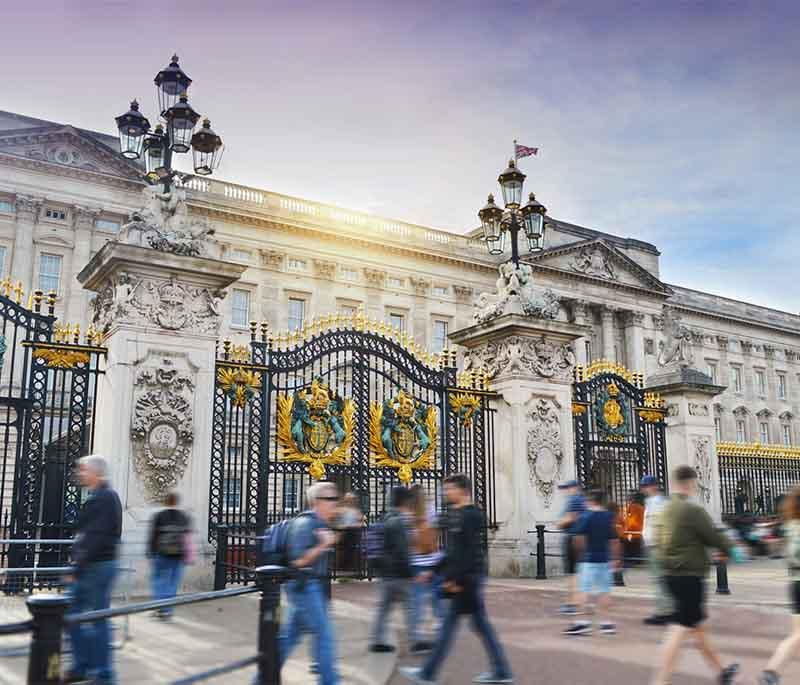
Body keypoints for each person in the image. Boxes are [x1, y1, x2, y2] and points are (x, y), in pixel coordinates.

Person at [400, 474, 513, 685]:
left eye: (450, 489)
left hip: (467, 580)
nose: (446, 493)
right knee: (477, 626)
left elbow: (469, 554)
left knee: (451, 628)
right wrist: (432, 571)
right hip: (467, 578)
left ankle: (428, 674)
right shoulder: (457, 514)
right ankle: (501, 670)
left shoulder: (471, 516)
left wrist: (456, 581)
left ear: (462, 490)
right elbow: (452, 552)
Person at [651, 466, 738, 685]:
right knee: (680, 627)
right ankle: (660, 680)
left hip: (670, 573)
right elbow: (714, 536)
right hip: (689, 575)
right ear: (690, 483)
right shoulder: (692, 510)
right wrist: (731, 550)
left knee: (697, 626)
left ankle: (722, 671)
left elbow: (657, 539)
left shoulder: (666, 509)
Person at [64, 455, 122, 685]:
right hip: (96, 564)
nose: (80, 474)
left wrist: (76, 568)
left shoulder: (104, 498)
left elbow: (94, 537)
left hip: (96, 566)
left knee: (90, 618)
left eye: (84, 470)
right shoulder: (102, 496)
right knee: (84, 616)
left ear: (97, 473)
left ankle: (100, 672)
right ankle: (87, 666)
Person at [279, 481, 341, 685]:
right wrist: (323, 545)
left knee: (289, 638)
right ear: (316, 501)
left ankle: (262, 676)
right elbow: (297, 560)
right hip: (304, 587)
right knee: (324, 635)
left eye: (336, 499)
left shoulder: (320, 524)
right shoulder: (304, 524)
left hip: (311, 587)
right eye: (330, 499)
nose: (335, 503)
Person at [370, 486, 432, 655]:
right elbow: (402, 551)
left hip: (386, 574)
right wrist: (414, 573)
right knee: (410, 607)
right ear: (405, 502)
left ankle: (377, 640)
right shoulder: (399, 522)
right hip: (399, 574)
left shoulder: (386, 518)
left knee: (384, 609)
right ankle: (416, 641)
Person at [563, 490, 622, 636]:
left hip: (588, 559)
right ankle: (607, 623)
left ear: (592, 501)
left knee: (583, 591)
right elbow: (615, 540)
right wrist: (615, 558)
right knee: (605, 591)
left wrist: (580, 554)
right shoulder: (609, 517)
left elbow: (578, 539)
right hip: (604, 559)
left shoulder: (586, 516)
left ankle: (582, 623)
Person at [758, 486, 800, 685]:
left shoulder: (790, 525)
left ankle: (772, 670)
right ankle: (771, 670)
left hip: (795, 584)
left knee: (797, 635)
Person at [148, 491, 191, 619]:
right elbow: (187, 538)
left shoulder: (159, 516)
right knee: (173, 583)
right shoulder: (184, 517)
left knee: (158, 581)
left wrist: (150, 552)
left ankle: (159, 608)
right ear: (177, 502)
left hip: (162, 554)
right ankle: (168, 610)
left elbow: (153, 536)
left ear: (165, 502)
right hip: (178, 555)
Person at [409, 484, 444, 637]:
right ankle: (440, 623)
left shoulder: (408, 512)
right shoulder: (431, 510)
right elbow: (435, 535)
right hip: (432, 560)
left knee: (417, 600)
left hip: (415, 561)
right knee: (436, 595)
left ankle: (418, 632)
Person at [640, 475, 673, 626]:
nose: (643, 489)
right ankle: (666, 610)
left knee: (661, 579)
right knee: (659, 579)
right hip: (652, 546)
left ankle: (665, 612)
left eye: (645, 486)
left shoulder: (661, 503)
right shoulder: (650, 502)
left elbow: (665, 526)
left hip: (659, 547)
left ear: (654, 486)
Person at [557, 480, 586, 615]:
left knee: (572, 573)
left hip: (572, 537)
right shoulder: (582, 500)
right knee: (576, 572)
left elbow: (571, 518)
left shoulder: (574, 500)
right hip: (580, 537)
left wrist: (560, 523)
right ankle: (575, 602)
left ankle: (573, 604)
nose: (565, 491)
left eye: (567, 488)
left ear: (574, 488)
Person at [336, 492, 364, 574]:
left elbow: (361, 522)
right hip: (343, 532)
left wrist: (354, 525)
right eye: (348, 499)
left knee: (351, 551)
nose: (350, 501)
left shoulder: (356, 511)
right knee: (342, 551)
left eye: (352, 499)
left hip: (353, 533)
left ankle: (351, 570)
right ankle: (342, 569)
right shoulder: (341, 510)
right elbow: (337, 522)